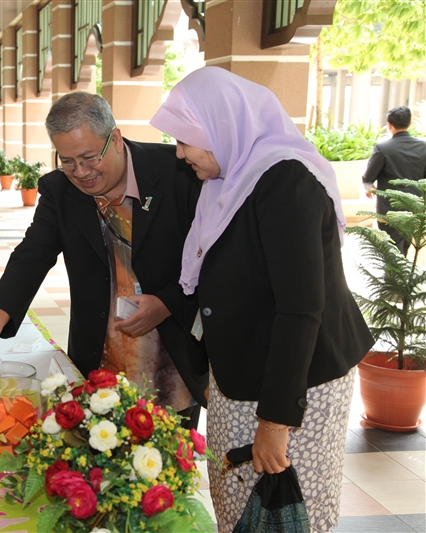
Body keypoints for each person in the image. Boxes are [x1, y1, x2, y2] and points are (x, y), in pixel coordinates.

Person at [150, 67, 374, 533]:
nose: (180, 153)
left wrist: (274, 422)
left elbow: (300, 310)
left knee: (290, 513)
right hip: (241, 374)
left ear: (223, 126)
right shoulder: (224, 183)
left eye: (186, 140)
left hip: (299, 384)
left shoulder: (287, 182)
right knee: (236, 508)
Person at [0, 92, 207, 428]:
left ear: (115, 139)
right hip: (99, 357)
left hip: (172, 358)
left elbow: (213, 258)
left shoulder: (179, 173)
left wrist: (166, 303)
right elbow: (32, 255)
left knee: (170, 453)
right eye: (68, 161)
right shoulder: (60, 191)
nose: (81, 172)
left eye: (89, 158)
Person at [362, 105, 426, 255]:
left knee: (392, 246)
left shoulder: (383, 148)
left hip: (389, 208)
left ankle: (394, 270)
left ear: (389, 125)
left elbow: (368, 177)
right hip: (414, 207)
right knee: (405, 244)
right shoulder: (424, 147)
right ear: (410, 124)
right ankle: (402, 269)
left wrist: (369, 187)